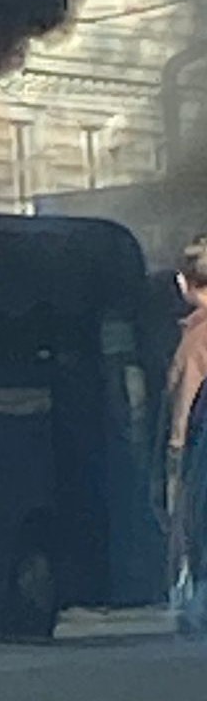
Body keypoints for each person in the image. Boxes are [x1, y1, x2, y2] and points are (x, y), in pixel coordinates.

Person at [169, 235, 207, 634]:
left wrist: (175, 455)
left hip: (200, 451)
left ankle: (196, 607)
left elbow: (186, 403)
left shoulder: (198, 338)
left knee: (194, 527)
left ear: (184, 283)